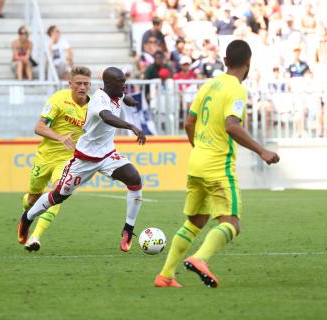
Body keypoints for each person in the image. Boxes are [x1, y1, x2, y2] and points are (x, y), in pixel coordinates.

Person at [154, 40, 280, 288]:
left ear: (224, 61)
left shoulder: (208, 85)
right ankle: (200, 259)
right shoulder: (236, 89)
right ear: (248, 63)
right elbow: (232, 125)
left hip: (196, 163)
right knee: (231, 224)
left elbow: (189, 123)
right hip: (217, 167)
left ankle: (165, 275)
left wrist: (198, 146)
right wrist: (261, 150)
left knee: (194, 222)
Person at [17, 67, 146, 252]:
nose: (124, 87)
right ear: (108, 85)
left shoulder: (117, 93)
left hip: (108, 154)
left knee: (135, 179)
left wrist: (130, 100)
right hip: (85, 158)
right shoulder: (99, 101)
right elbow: (107, 117)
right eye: (121, 83)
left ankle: (128, 230)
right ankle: (27, 218)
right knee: (58, 196)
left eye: (125, 83)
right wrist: (131, 126)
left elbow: (123, 97)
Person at [21, 66, 92, 251]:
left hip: (67, 161)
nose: (82, 87)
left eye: (86, 83)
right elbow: (39, 127)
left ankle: (35, 237)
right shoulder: (58, 99)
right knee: (32, 199)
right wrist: (60, 137)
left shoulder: (93, 108)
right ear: (70, 84)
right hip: (45, 158)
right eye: (78, 83)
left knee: (58, 194)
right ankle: (26, 215)